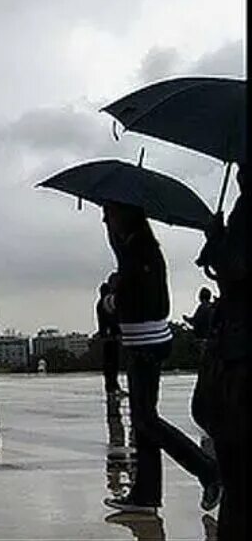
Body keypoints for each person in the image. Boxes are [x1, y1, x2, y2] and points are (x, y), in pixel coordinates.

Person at [99, 201, 221, 516]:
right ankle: (146, 493)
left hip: (145, 342)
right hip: (145, 340)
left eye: (109, 212)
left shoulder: (139, 253)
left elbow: (143, 297)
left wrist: (113, 301)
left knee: (146, 420)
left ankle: (207, 471)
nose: (105, 218)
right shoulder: (138, 248)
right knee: (143, 423)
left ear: (124, 216)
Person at [193, 163, 248, 540]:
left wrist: (218, 238)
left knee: (238, 471)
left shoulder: (248, 209)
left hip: (243, 351)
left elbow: (238, 271)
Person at [97, 275, 126, 397]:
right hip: (110, 335)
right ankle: (112, 387)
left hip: (108, 335)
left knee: (111, 362)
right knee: (112, 362)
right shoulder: (108, 300)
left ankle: (112, 386)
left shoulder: (104, 300)